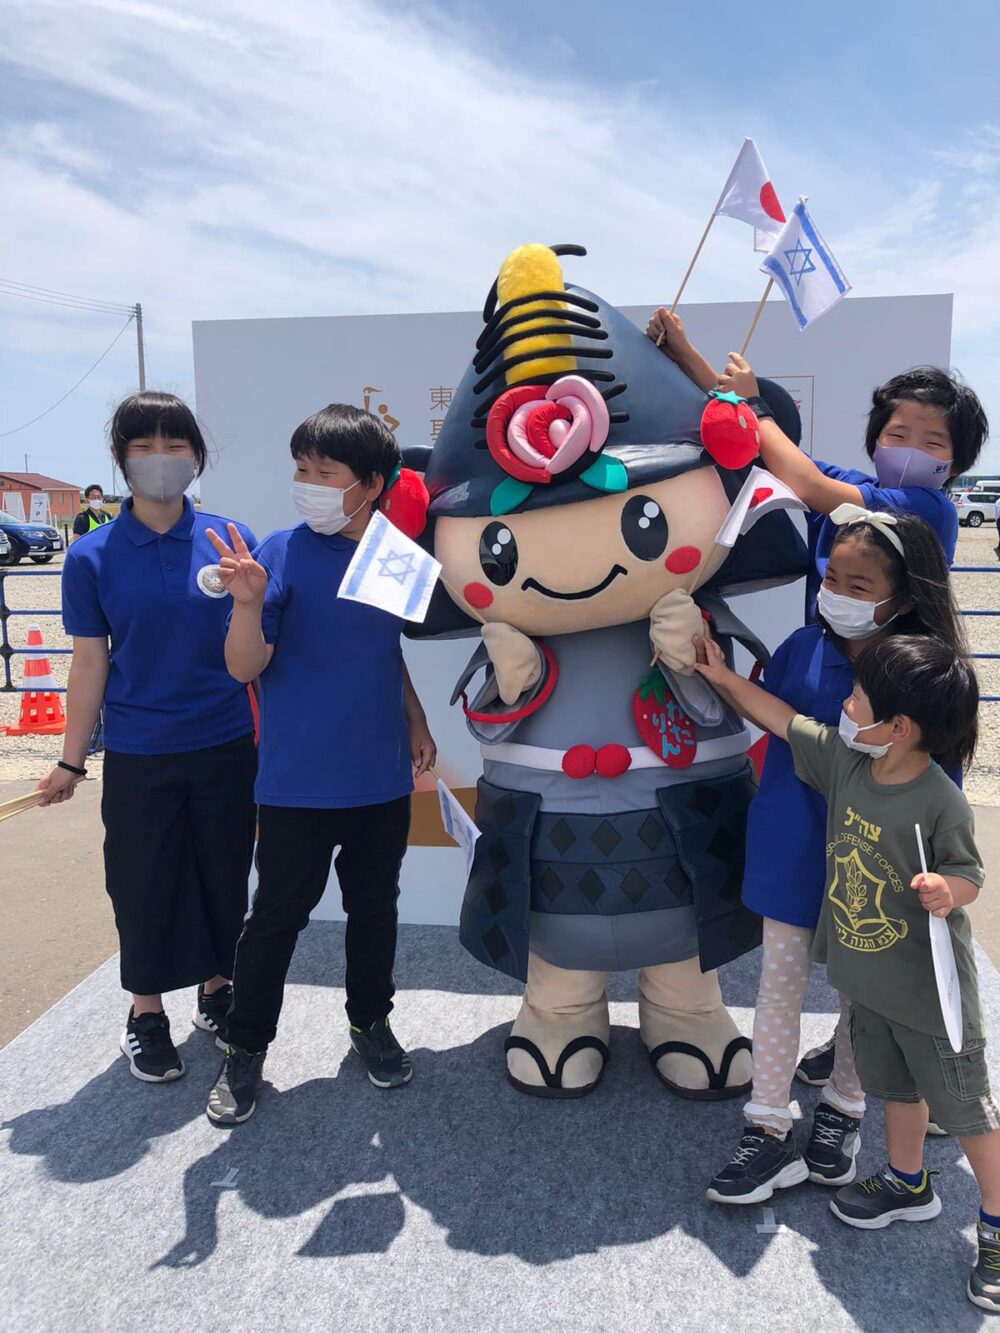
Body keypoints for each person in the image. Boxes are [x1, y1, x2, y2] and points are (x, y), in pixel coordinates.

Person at [695, 631, 1000, 1314]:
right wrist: (719, 676)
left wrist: (948, 891)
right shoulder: (847, 766)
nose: (843, 701)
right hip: (867, 985)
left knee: (967, 1108)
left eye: (857, 695)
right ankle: (906, 1181)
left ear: (898, 727)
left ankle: (996, 1222)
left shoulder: (937, 799)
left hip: (930, 995)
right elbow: (779, 717)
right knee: (894, 1089)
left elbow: (971, 873)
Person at [703, 507, 966, 1204]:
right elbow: (772, 710)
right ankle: (766, 1123)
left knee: (862, 999)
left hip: (877, 866)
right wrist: (716, 672)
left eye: (859, 583)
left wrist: (936, 869)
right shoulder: (799, 647)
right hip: (792, 841)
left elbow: (941, 779)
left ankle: (843, 1113)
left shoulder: (921, 669)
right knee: (779, 985)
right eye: (833, 578)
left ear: (903, 596)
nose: (838, 593)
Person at [204, 404, 437, 1126]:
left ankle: (370, 1022)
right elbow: (247, 663)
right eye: (300, 468)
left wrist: (418, 719)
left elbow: (387, 650)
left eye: (323, 471)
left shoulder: (396, 557)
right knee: (274, 918)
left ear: (371, 483)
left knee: (375, 910)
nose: (306, 483)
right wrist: (246, 603)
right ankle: (245, 1047)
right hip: (296, 783)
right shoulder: (277, 551)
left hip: (378, 776)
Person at [37, 391, 258, 1083]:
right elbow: (90, 661)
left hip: (226, 742)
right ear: (121, 458)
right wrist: (72, 758)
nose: (161, 456)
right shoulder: (93, 555)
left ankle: (218, 992)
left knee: (224, 874)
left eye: (175, 442)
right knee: (143, 882)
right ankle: (146, 1012)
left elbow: (254, 645)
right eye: (144, 444)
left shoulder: (228, 537)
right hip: (138, 751)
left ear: (196, 455)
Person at [646, 310, 989, 605]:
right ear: (875, 443)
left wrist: (754, 406)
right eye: (898, 436)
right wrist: (685, 356)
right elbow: (766, 450)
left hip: (891, 673)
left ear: (957, 463)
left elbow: (806, 484)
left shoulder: (932, 509)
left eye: (932, 443)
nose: (911, 451)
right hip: (821, 656)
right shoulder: (853, 486)